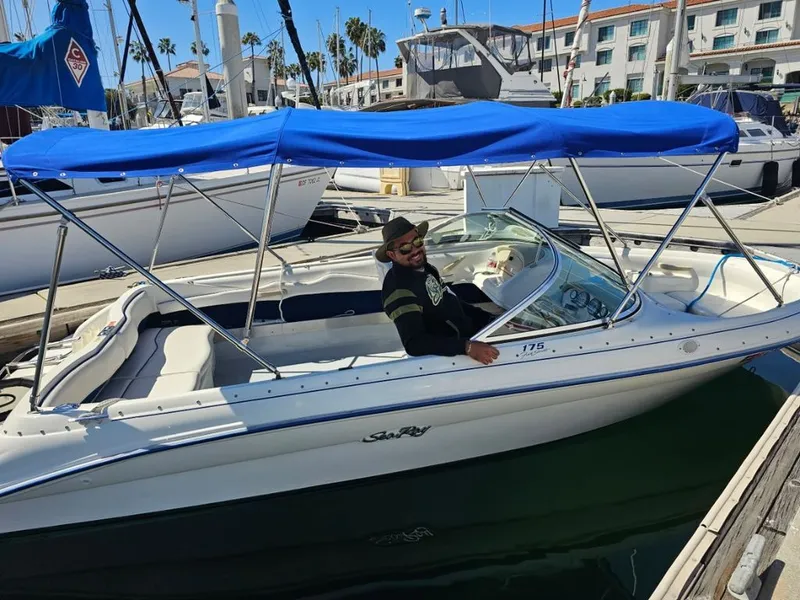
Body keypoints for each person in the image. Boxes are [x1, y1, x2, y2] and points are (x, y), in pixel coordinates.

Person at [376, 217, 500, 365]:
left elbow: (450, 301)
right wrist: (467, 347)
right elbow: (414, 343)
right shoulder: (399, 290)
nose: (415, 250)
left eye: (417, 242)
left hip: (470, 336)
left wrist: (490, 319)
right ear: (391, 255)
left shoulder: (426, 269)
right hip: (451, 357)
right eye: (405, 248)